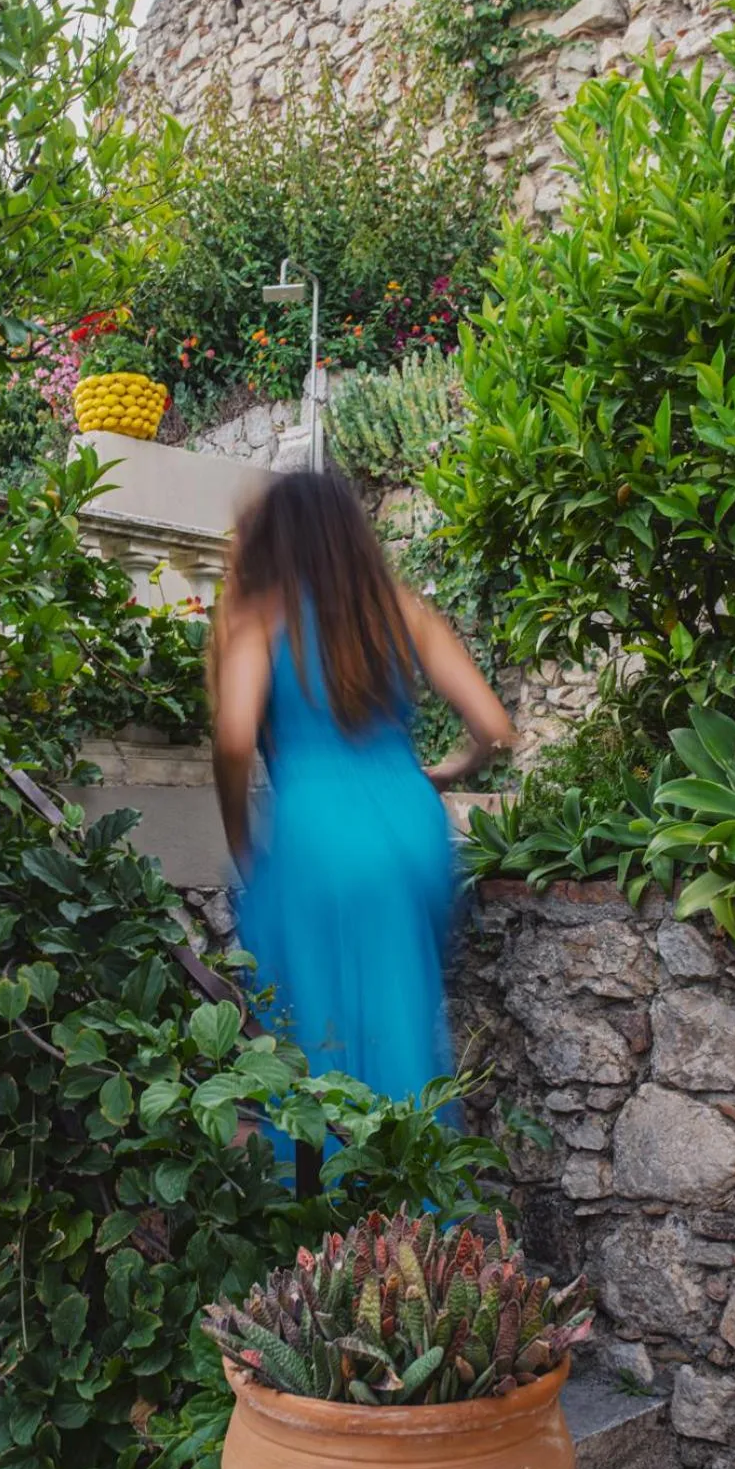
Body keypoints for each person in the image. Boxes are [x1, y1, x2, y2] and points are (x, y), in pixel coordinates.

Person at [211, 470, 514, 1119]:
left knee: (316, 1029)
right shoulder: (403, 609)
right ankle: (421, 1194)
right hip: (409, 822)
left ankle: (326, 1200)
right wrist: (443, 772)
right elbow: (494, 728)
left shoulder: (263, 618)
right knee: (403, 1014)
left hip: (314, 829)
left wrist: (240, 836)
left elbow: (235, 739)